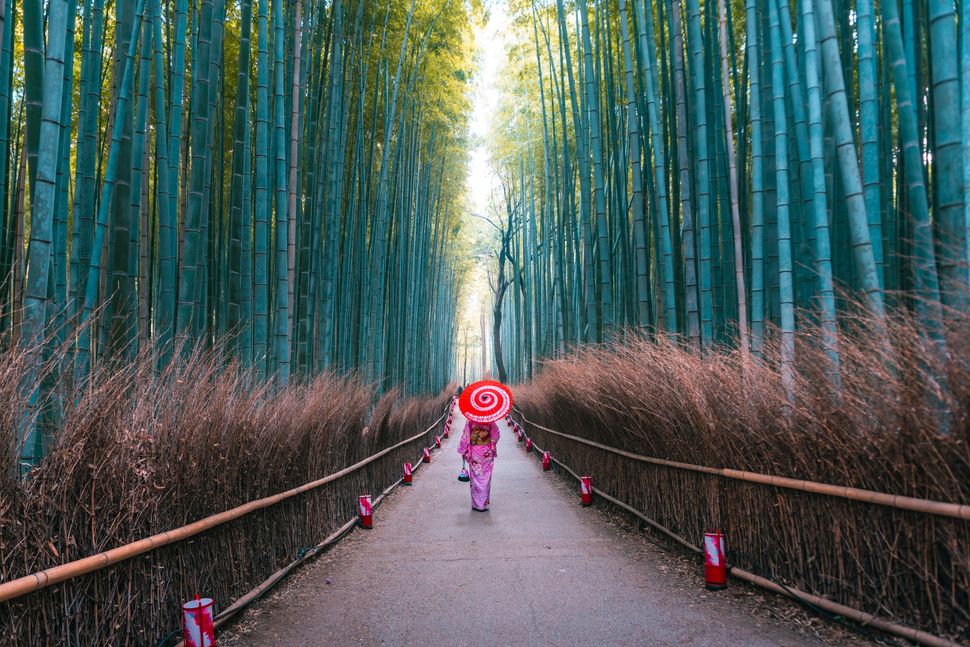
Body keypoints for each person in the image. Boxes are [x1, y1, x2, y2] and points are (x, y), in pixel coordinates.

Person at [457, 419, 500, 511]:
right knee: (485, 477)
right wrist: (490, 441)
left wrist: (463, 451)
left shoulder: (470, 420)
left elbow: (465, 436)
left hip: (475, 451)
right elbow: (496, 434)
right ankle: (483, 504)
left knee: (475, 476)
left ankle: (477, 504)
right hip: (487, 452)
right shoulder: (490, 420)